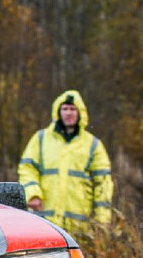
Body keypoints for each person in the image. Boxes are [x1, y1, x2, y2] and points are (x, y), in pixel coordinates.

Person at [17, 89, 113, 236]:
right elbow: (27, 168)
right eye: (65, 109)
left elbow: (103, 184)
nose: (68, 113)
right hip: (44, 224)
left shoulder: (93, 145)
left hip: (79, 228)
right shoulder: (41, 139)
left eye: (73, 109)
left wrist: (102, 221)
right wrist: (32, 194)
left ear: (80, 112)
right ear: (58, 111)